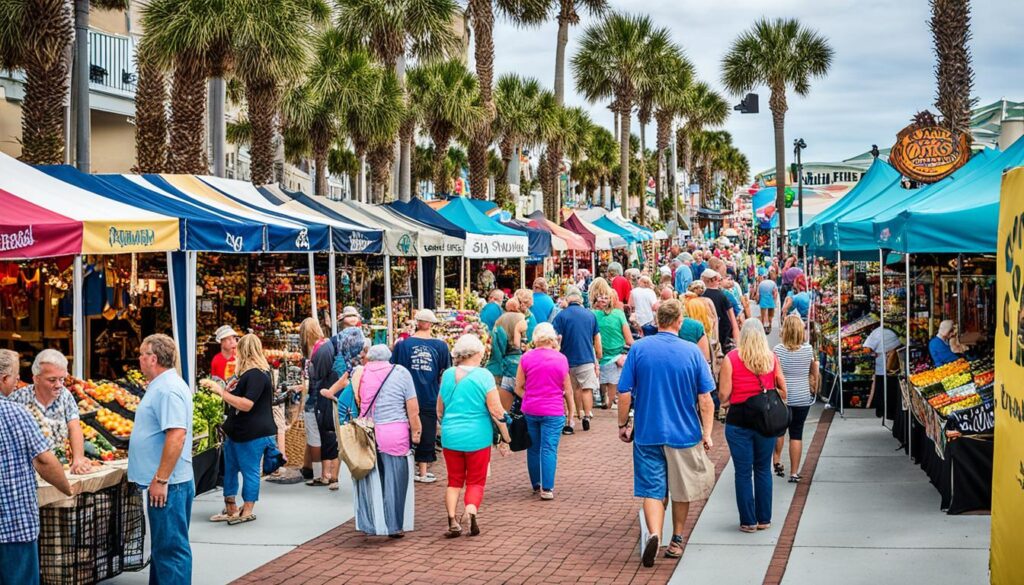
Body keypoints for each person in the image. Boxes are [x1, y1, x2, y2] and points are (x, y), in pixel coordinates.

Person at [617, 300, 716, 567]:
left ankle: (655, 534)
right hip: (684, 432)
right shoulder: (692, 352)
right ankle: (677, 538)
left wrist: (622, 424)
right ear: (679, 322)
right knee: (681, 489)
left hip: (648, 431)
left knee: (652, 488)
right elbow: (706, 399)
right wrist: (707, 433)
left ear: (658, 320)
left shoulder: (639, 349)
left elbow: (624, 392)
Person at [129, 333, 194, 583]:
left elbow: (176, 435)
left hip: (170, 484)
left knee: (170, 550)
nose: (139, 359)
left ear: (153, 358)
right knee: (163, 550)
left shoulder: (167, 389)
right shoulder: (164, 386)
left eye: (142, 355)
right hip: (168, 482)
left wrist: (161, 479)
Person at [437, 334, 512, 538]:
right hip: (478, 436)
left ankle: (452, 519)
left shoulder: (448, 374)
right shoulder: (484, 376)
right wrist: (506, 437)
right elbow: (496, 410)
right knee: (475, 481)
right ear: (478, 353)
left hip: (451, 435)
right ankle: (470, 510)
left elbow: (439, 409)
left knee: (454, 481)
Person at [719, 319, 788, 533]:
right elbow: (783, 390)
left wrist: (733, 399)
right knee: (762, 469)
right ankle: (764, 518)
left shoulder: (731, 359)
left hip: (739, 420)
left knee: (742, 472)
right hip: (765, 421)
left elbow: (723, 395)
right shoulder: (771, 359)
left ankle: (748, 520)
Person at [1, 397, 75, 584]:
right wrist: (67, 488)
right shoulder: (14, 411)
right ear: (4, 379)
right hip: (13, 523)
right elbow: (43, 460)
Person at [206, 334, 277, 524]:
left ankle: (246, 509)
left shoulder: (255, 374)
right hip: (239, 432)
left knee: (249, 470)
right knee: (231, 469)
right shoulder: (253, 373)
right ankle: (232, 507)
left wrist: (221, 392)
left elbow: (246, 404)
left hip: (251, 434)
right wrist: (229, 390)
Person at [352, 345, 421, 537]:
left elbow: (357, 401)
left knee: (369, 478)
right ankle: (394, 525)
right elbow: (412, 407)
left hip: (368, 432)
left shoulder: (360, 373)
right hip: (394, 433)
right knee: (395, 481)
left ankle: (370, 523)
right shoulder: (401, 372)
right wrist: (416, 431)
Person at [391, 309, 452, 484]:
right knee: (427, 432)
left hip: (406, 396)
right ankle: (423, 471)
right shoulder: (440, 346)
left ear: (417, 322)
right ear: (431, 324)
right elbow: (444, 372)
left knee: (405, 430)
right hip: (430, 395)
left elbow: (395, 370)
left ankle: (407, 470)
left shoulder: (403, 345)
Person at [514, 323, 574, 500]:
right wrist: (571, 413)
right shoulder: (561, 359)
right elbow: (568, 390)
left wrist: (530, 397)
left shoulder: (526, 358)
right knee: (549, 448)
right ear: (552, 338)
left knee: (533, 448)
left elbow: (518, 387)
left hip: (531, 408)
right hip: (554, 409)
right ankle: (547, 488)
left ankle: (536, 483)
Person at [10, 350, 92, 474]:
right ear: (36, 379)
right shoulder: (17, 399)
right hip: (29, 471)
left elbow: (74, 427)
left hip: (61, 468)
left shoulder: (65, 396)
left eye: (62, 379)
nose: (59, 385)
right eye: (52, 380)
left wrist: (78, 459)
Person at [312, 327, 366, 489]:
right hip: (345, 404)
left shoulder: (341, 356)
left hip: (341, 403)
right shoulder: (345, 359)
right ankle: (335, 476)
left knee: (341, 439)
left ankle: (334, 476)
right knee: (343, 439)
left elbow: (341, 380)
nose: (361, 354)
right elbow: (343, 380)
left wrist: (329, 393)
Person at [772, 315, 819, 483]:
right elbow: (814, 372)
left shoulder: (778, 350)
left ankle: (776, 459)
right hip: (802, 396)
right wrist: (814, 388)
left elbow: (774, 374)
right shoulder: (808, 350)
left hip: (783, 397)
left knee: (779, 430)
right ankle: (794, 472)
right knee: (796, 434)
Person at [552, 286, 602, 434]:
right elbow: (596, 338)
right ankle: (586, 415)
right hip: (586, 357)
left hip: (566, 359)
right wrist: (598, 356)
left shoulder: (561, 316)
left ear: (567, 299)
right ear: (581, 299)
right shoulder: (590, 315)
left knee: (570, 390)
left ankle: (571, 418)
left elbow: (555, 338)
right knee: (587, 389)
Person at [591, 278, 634, 411]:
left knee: (603, 382)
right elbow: (629, 340)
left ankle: (604, 399)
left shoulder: (592, 314)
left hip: (598, 356)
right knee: (613, 382)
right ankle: (608, 403)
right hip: (615, 355)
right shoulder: (619, 315)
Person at [295, 318, 327, 481]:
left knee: (314, 436)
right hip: (323, 396)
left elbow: (307, 381)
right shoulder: (325, 347)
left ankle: (317, 473)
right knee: (314, 434)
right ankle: (308, 467)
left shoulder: (307, 355)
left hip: (311, 399)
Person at [487, 298, 528, 412]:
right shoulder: (521, 318)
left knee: (504, 408)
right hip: (517, 361)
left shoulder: (499, 320)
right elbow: (522, 343)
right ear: (517, 307)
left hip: (502, 362)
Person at [864, 325, 903, 419]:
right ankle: (891, 413)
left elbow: (866, 349)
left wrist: (873, 354)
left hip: (882, 367)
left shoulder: (876, 333)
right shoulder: (892, 331)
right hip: (895, 368)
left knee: (881, 390)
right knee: (892, 391)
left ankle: (881, 411)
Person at [701, 269, 740, 353]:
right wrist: (737, 339)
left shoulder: (701, 296)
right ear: (714, 280)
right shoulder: (723, 295)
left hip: (706, 332)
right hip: (723, 333)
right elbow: (732, 317)